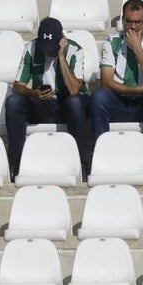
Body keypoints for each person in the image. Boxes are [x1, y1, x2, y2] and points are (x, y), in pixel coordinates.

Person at [91, 0, 143, 178]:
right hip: (119, 99)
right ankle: (100, 153)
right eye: (129, 22)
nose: (133, 27)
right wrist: (139, 89)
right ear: (122, 21)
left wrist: (137, 49)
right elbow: (106, 81)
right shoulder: (112, 42)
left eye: (138, 22)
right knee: (99, 97)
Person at [5, 16, 91, 180]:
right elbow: (17, 85)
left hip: (65, 104)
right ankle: (16, 163)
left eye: (50, 47)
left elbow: (74, 89)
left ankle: (81, 162)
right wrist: (33, 93)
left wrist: (61, 56)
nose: (46, 51)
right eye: (44, 47)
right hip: (41, 103)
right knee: (13, 102)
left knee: (75, 102)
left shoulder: (75, 50)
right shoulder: (31, 47)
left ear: (61, 40)